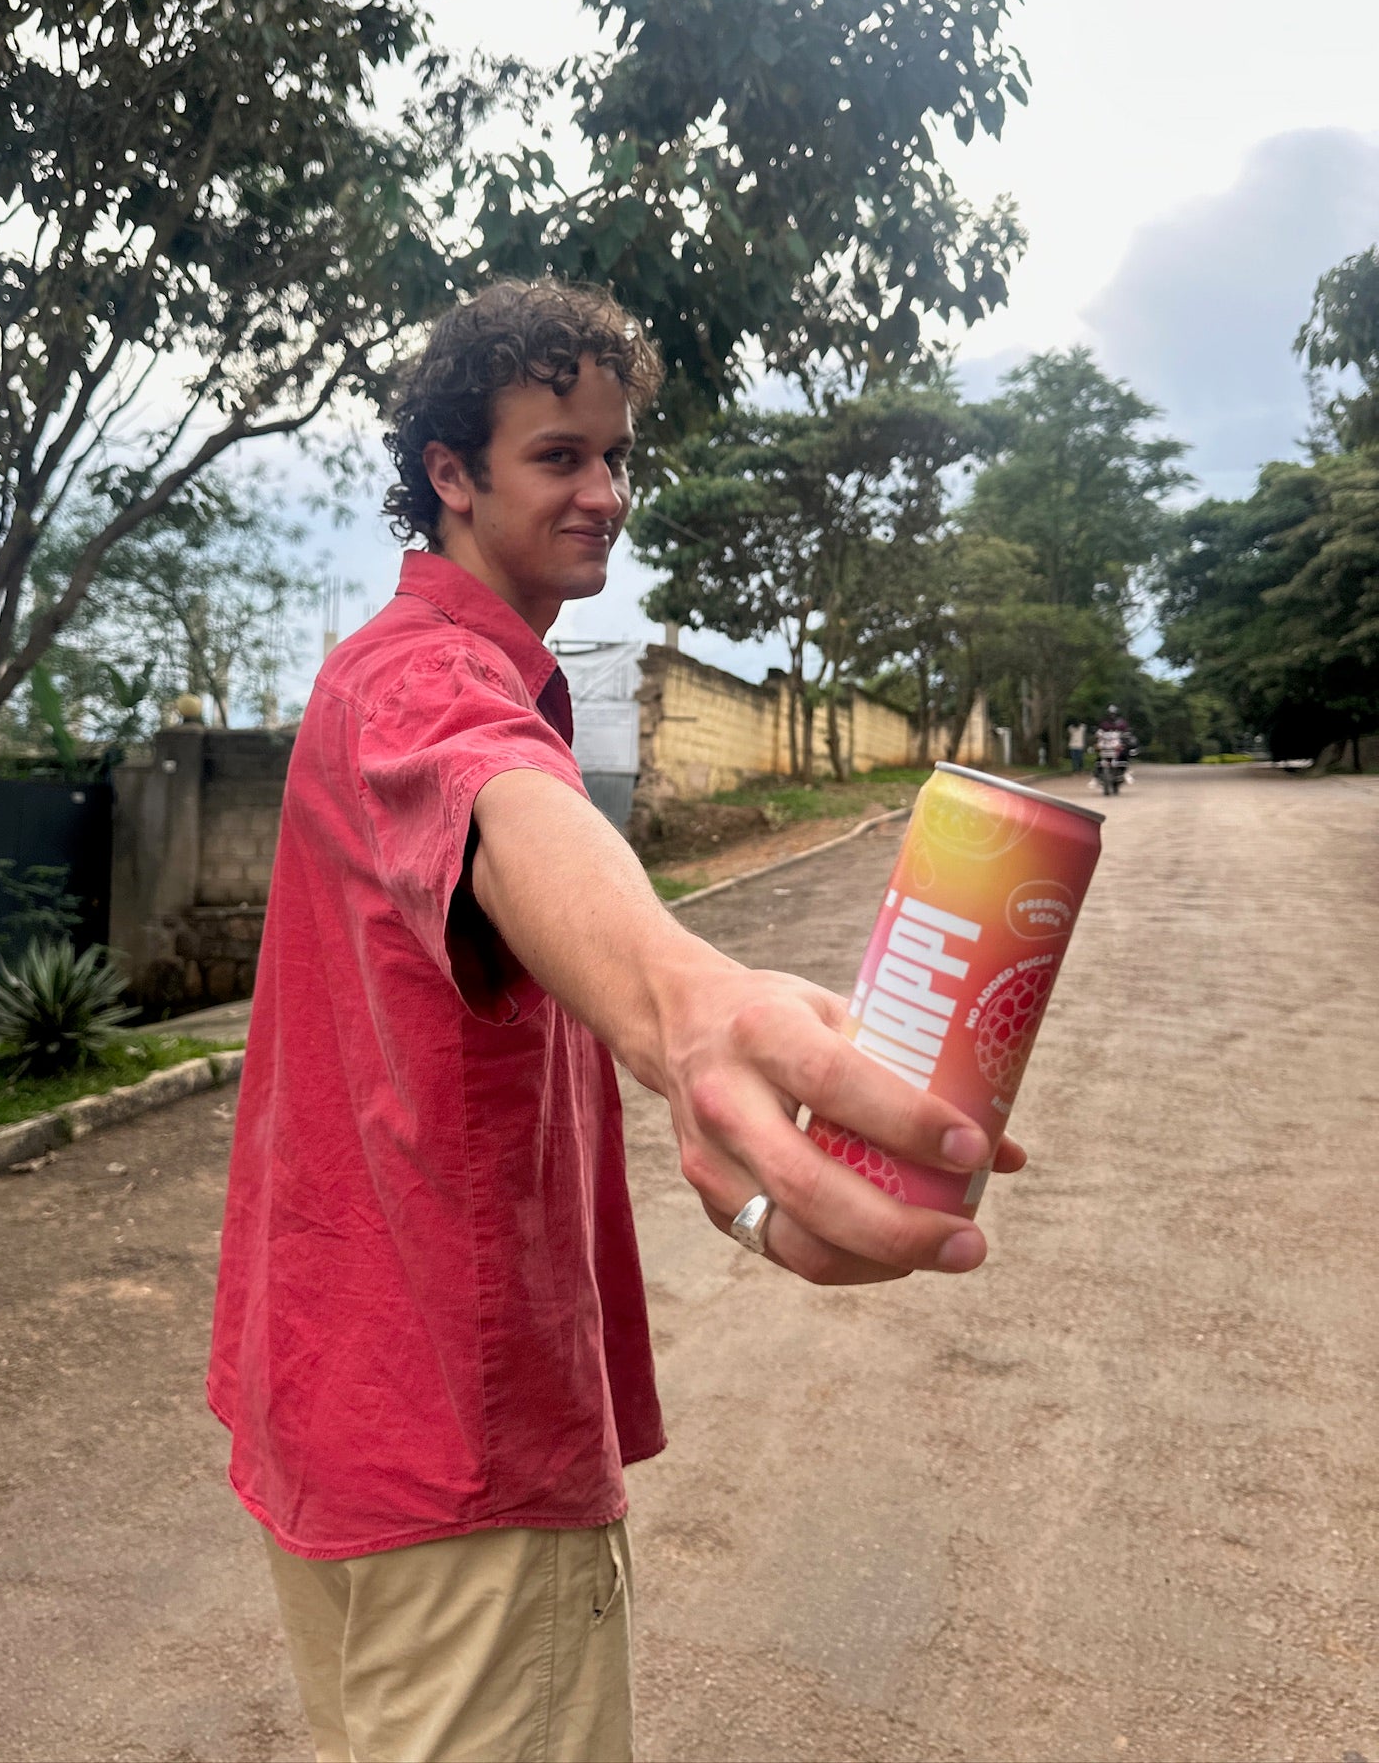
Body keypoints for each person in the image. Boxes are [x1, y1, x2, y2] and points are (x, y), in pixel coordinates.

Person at [207, 279, 1024, 1763]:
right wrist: (688, 1005)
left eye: (616, 455)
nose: (606, 492)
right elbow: (502, 803)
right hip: (459, 1445)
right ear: (451, 474)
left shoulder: (406, 673)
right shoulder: (428, 679)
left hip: (336, 1405)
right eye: (557, 456)